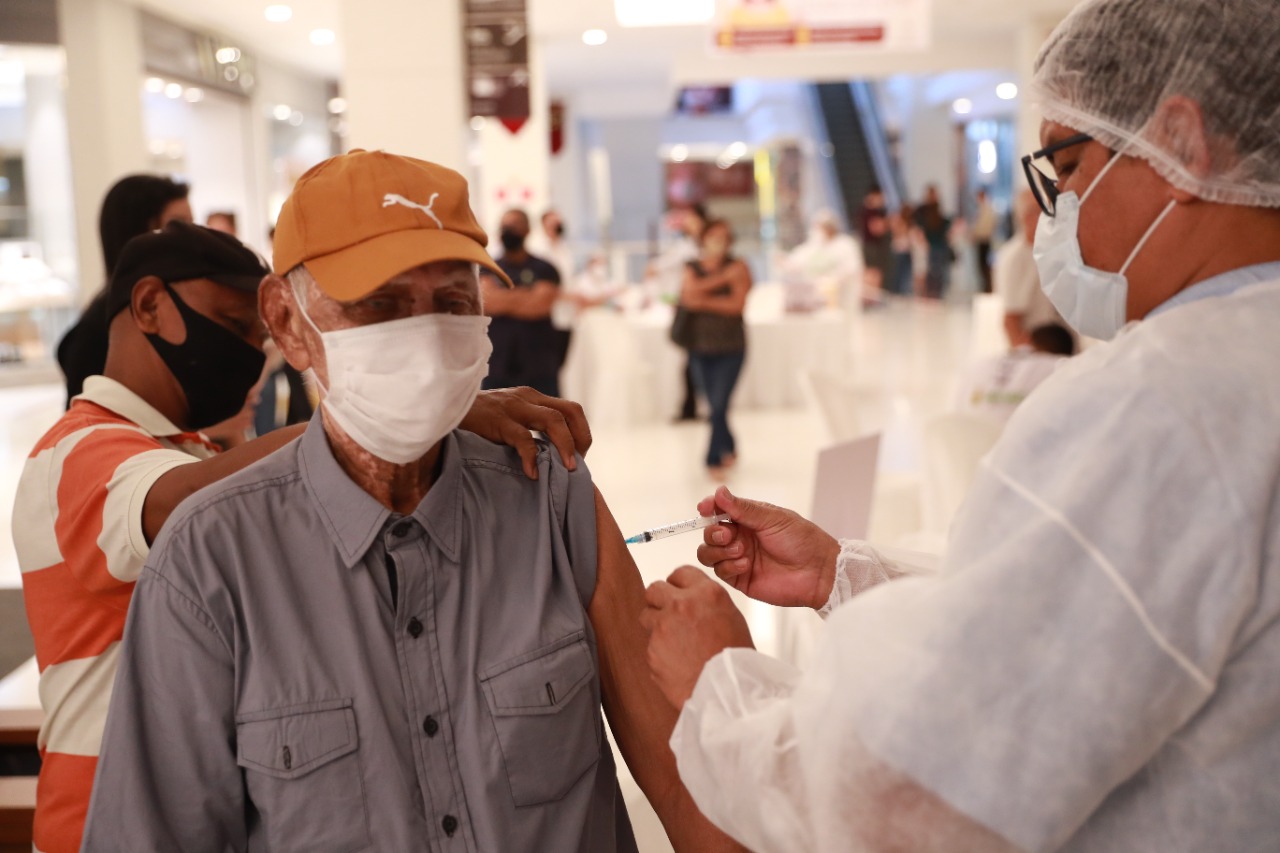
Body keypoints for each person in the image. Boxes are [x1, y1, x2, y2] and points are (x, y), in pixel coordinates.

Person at [641, 0, 1280, 850]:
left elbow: (913, 798)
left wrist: (723, 686)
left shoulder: (1161, 402)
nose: (1059, 213)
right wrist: (845, 572)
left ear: (1182, 140)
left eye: (1068, 163)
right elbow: (1080, 624)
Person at [81, 151, 742, 853]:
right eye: (380, 303)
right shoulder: (211, 564)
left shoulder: (551, 499)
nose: (425, 336)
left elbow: (681, 785)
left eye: (454, 303)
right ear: (287, 319)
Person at [14, 221, 594, 853]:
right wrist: (415, 415)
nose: (250, 354)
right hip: (102, 813)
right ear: (151, 306)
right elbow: (179, 505)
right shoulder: (79, 452)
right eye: (236, 328)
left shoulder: (195, 448)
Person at [56, 174, 192, 405]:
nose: (192, 238)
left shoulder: (175, 307)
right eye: (178, 226)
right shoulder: (99, 329)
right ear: (140, 233)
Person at [673, 219, 752, 479]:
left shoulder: (739, 266)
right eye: (713, 235)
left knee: (719, 404)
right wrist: (722, 283)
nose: (717, 241)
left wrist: (702, 297)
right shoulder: (692, 267)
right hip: (699, 346)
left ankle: (712, 458)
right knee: (713, 403)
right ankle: (729, 444)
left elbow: (736, 305)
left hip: (731, 346)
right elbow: (687, 296)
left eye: (723, 236)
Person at [482, 208, 565, 397]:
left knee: (548, 419)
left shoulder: (545, 269)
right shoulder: (488, 268)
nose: (508, 230)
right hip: (497, 361)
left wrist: (503, 296)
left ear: (527, 230)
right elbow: (487, 302)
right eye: (504, 226)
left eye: (514, 225)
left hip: (538, 361)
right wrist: (525, 294)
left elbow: (539, 305)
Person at [956, 322, 1075, 424]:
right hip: (1012, 444)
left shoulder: (980, 363)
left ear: (1027, 339)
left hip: (959, 439)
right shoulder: (1059, 367)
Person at [998, 188, 1068, 348]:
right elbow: (1011, 320)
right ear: (1025, 217)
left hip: (1062, 343)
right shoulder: (1014, 258)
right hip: (1038, 348)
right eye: (1041, 211)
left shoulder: (1052, 248)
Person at [782, 208, 864, 311]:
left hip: (844, 297)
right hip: (819, 299)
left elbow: (851, 268)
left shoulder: (846, 244)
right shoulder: (816, 245)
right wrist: (787, 262)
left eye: (820, 227)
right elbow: (799, 258)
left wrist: (832, 280)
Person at [915, 185, 953, 299]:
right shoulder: (923, 210)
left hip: (940, 244)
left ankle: (936, 295)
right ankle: (931, 294)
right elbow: (920, 226)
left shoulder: (936, 208)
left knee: (939, 272)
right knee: (932, 271)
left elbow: (944, 224)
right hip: (932, 244)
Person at [858, 186, 893, 301]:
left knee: (873, 273)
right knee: (873, 274)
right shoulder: (871, 212)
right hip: (872, 247)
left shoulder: (868, 211)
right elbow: (876, 229)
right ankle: (870, 300)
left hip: (872, 246)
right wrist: (888, 224)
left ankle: (870, 300)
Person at [527, 207, 575, 283]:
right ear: (544, 224)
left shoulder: (563, 247)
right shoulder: (535, 246)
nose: (557, 225)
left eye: (558, 222)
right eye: (553, 222)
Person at [972, 187, 998, 293]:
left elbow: (985, 227)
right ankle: (985, 286)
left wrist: (977, 233)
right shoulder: (982, 209)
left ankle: (987, 287)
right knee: (981, 265)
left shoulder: (987, 209)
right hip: (981, 241)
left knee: (984, 265)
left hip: (984, 240)